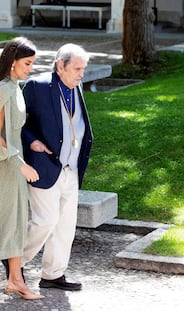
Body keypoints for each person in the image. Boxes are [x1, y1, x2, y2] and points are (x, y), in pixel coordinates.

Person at [20, 43, 93, 291]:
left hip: (71, 169)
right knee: (45, 220)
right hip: (44, 167)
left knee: (65, 226)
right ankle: (14, 261)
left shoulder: (77, 85)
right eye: (77, 68)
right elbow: (17, 123)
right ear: (60, 66)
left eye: (83, 69)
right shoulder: (36, 86)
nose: (81, 74)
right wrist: (33, 142)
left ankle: (53, 275)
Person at [0, 37, 44, 300]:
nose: (30, 68)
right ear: (12, 61)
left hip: (15, 167)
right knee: (10, 222)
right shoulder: (3, 89)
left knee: (16, 223)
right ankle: (15, 279)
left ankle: (15, 280)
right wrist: (20, 164)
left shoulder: (15, 87)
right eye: (27, 63)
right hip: (6, 167)